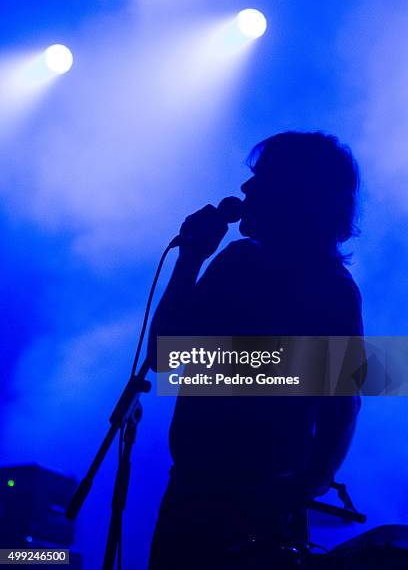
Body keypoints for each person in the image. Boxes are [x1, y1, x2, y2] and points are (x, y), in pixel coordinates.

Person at [147, 131, 363, 569]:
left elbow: (342, 408)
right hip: (189, 494)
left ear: (295, 193)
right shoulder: (235, 263)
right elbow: (162, 357)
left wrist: (298, 493)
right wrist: (192, 258)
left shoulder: (332, 290)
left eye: (260, 179)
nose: (245, 189)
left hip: (261, 515)